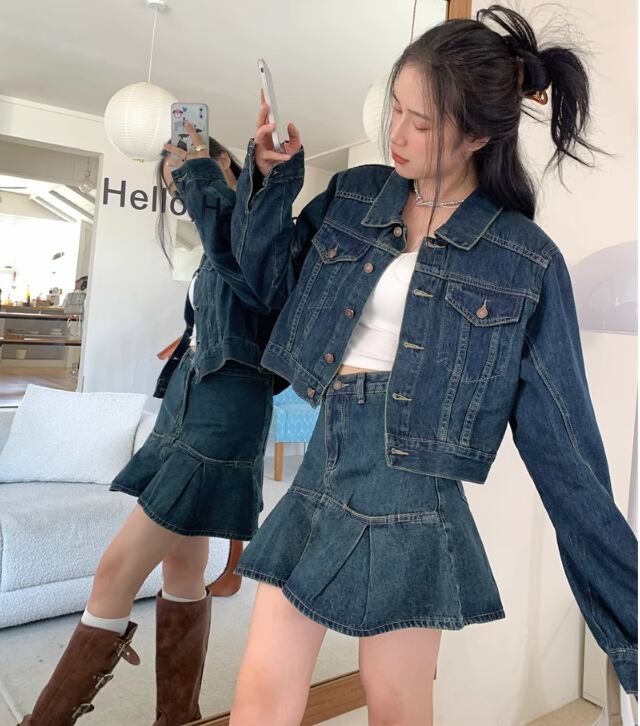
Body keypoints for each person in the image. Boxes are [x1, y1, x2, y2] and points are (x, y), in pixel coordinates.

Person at [186, 5, 639, 724]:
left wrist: (630, 629)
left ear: (479, 136)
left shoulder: (523, 260)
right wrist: (271, 182)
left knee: (397, 703)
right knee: (262, 691)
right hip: (323, 467)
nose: (396, 134)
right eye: (394, 108)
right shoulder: (355, 195)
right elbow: (265, 287)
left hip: (412, 490)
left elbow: (567, 457)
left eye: (421, 123)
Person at [19, 123, 290, 726]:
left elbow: (257, 289)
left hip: (222, 419)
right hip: (187, 408)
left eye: (187, 168)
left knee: (116, 569)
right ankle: (179, 718)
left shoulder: (258, 230)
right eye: (173, 178)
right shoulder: (217, 238)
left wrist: (206, 180)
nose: (180, 184)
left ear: (225, 165)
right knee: (183, 569)